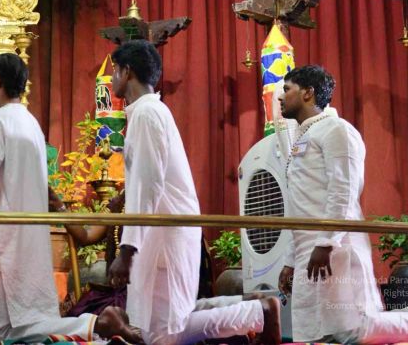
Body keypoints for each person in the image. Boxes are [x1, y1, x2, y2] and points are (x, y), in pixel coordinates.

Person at [276, 64, 408, 343]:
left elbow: (343, 190)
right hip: (307, 249)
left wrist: (326, 242)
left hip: (336, 246)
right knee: (318, 331)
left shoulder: (337, 129)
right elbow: (298, 206)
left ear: (308, 93)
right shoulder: (305, 135)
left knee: (350, 330)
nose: (280, 96)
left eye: (287, 89)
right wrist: (289, 260)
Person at [104, 41, 281, 345]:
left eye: (114, 71)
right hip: (163, 230)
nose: (112, 78)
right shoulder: (148, 112)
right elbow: (149, 180)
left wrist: (127, 250)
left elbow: (148, 185)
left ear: (127, 71)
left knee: (163, 335)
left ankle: (259, 312)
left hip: (164, 233)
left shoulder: (147, 114)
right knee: (166, 322)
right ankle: (249, 307)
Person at [0, 53, 122, 341]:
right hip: (31, 241)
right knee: (29, 323)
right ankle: (92, 326)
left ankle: (94, 325)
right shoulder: (31, 122)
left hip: (2, 242)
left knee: (7, 330)